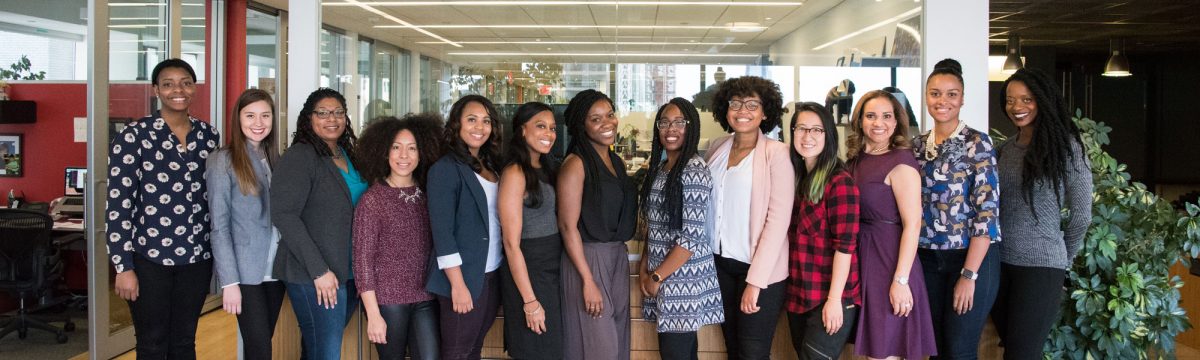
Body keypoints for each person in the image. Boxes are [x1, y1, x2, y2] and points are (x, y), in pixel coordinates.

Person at [105, 59, 218, 359]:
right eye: (168, 84)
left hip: (196, 258)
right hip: (148, 260)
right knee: (152, 342)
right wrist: (123, 266)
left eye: (185, 82)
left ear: (194, 88)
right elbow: (118, 206)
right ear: (156, 90)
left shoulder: (209, 136)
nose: (177, 90)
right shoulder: (133, 136)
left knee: (184, 341)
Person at [992, 68, 1093, 360]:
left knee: (1022, 354)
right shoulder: (1004, 150)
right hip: (998, 265)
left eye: (1027, 99)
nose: (1017, 107)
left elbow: (1081, 216)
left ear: (1043, 101)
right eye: (1011, 100)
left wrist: (1063, 260)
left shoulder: (1068, 149)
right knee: (1013, 349)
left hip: (1041, 267)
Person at [911, 58, 1002, 359]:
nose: (943, 101)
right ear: (926, 97)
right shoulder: (917, 145)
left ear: (962, 99)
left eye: (952, 94)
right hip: (927, 260)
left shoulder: (978, 143)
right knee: (935, 349)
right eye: (935, 93)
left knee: (958, 351)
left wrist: (969, 275)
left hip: (970, 258)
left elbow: (986, 214)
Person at [271, 88, 367, 360]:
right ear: (308, 118)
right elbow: (285, 215)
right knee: (326, 351)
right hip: (315, 274)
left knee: (317, 347)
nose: (331, 119)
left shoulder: (347, 153)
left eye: (338, 112)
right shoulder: (300, 156)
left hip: (347, 271)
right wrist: (319, 271)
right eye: (322, 113)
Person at [703, 76, 795, 360]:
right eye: (736, 103)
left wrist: (756, 281)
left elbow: (778, 222)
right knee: (732, 348)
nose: (743, 110)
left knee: (753, 353)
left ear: (765, 111)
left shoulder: (776, 153)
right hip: (720, 267)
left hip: (758, 271)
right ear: (725, 109)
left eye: (752, 104)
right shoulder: (716, 147)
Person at [847, 90, 937, 360]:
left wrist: (901, 280)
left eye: (887, 116)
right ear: (860, 121)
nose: (879, 123)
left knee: (884, 352)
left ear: (897, 122)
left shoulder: (902, 161)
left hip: (888, 261)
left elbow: (913, 225)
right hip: (859, 258)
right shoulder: (854, 159)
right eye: (871, 116)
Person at [637, 98, 724, 360]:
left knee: (676, 353)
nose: (670, 129)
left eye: (679, 122)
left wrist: (656, 277)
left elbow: (690, 238)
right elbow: (654, 225)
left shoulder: (694, 170)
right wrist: (645, 265)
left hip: (682, 282)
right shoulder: (663, 168)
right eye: (664, 122)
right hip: (663, 277)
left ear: (691, 127)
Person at [353, 115, 444, 360]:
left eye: (412, 148)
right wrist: (373, 315)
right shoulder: (372, 200)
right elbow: (363, 262)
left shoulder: (429, 194)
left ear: (422, 153)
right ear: (384, 152)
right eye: (396, 147)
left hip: (425, 296)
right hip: (387, 301)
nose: (404, 155)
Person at [557, 89, 637, 360]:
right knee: (597, 346)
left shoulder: (614, 160)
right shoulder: (576, 164)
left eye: (610, 115)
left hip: (616, 256)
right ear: (582, 125)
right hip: (588, 260)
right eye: (596, 119)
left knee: (616, 341)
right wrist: (587, 280)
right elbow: (568, 227)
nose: (607, 123)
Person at [425, 95, 505, 360]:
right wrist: (457, 286)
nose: (479, 127)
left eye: (486, 121)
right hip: (463, 278)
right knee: (457, 352)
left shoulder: (490, 165)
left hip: (491, 274)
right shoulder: (445, 169)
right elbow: (442, 233)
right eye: (471, 120)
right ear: (457, 124)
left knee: (473, 348)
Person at [206, 88, 282, 360]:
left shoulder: (276, 158)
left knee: (260, 346)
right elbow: (219, 227)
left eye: (265, 115)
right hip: (245, 272)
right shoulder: (222, 161)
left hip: (277, 269)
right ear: (238, 120)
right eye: (250, 116)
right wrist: (229, 283)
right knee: (260, 348)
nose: (258, 123)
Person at [784, 102, 861, 360]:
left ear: (828, 135)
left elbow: (845, 247)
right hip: (799, 295)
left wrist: (834, 300)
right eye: (802, 129)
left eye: (817, 130)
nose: (808, 136)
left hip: (829, 296)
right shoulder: (796, 178)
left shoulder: (839, 182)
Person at [498, 102, 565, 360]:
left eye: (552, 128)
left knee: (550, 349)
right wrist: (529, 301)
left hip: (551, 269)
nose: (548, 133)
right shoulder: (515, 172)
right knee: (534, 348)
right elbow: (511, 243)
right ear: (522, 131)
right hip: (529, 271)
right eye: (540, 126)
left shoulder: (546, 168)